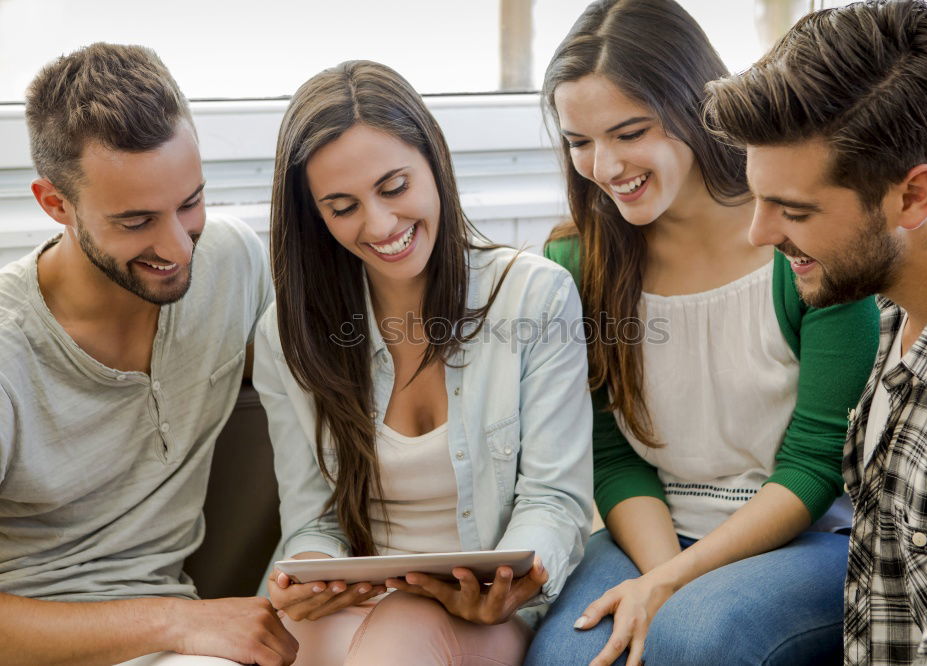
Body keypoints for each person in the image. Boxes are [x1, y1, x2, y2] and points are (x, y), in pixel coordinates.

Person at [524, 1, 880, 664]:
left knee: (700, 636)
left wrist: (677, 587)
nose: (604, 166)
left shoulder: (805, 244)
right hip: (655, 529)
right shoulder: (574, 265)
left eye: (629, 132)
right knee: (567, 659)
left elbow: (815, 464)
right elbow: (611, 455)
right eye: (578, 142)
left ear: (693, 108)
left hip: (803, 537)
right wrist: (662, 574)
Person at [252, 59, 593, 666]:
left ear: (434, 163)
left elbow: (553, 498)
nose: (380, 224)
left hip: (481, 616)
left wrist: (511, 582)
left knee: (402, 636)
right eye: (342, 206)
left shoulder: (535, 296)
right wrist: (311, 570)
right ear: (315, 217)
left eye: (393, 187)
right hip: (345, 610)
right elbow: (312, 519)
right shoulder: (289, 336)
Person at [704, 1, 927, 663]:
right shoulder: (899, 301)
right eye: (758, 198)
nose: (760, 234)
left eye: (794, 210)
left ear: (914, 197)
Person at [0, 43, 295, 666]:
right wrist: (178, 622)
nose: (178, 246)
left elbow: (333, 393)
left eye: (189, 202)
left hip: (174, 640)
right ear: (56, 205)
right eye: (135, 221)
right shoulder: (8, 351)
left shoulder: (232, 262)